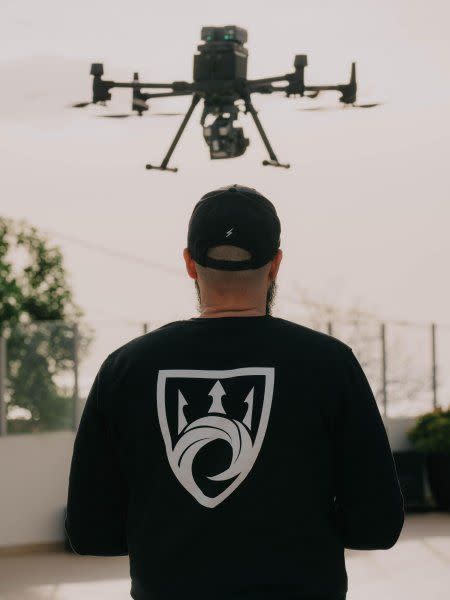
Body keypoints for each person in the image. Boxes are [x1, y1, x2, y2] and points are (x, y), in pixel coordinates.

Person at [65, 184, 404, 600]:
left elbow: (90, 533)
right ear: (276, 264)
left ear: (190, 263)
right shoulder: (329, 364)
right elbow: (378, 526)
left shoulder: (124, 369)